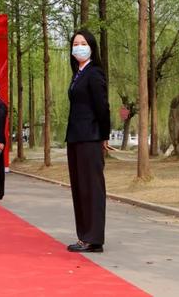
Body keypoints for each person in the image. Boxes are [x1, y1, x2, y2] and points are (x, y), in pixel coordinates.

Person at [65, 30, 111, 253]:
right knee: (79, 188)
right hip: (75, 137)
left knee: (91, 188)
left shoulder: (94, 73)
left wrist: (103, 135)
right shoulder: (78, 74)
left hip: (90, 137)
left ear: (91, 47)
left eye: (83, 43)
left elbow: (103, 107)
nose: (79, 46)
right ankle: (84, 236)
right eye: (75, 43)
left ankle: (93, 238)